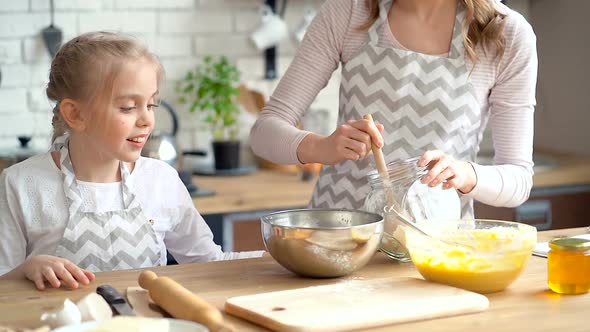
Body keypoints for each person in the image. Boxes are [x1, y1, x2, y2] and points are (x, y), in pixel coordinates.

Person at [0, 32, 264, 290]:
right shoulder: (20, 184)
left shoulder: (160, 180)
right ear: (76, 114)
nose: (147, 120)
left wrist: (279, 261)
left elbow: (211, 263)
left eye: (151, 105)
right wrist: (25, 271)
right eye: (128, 107)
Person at [250, 0, 537, 218]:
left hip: (436, 255)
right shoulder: (349, 12)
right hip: (338, 243)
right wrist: (321, 148)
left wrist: (466, 174)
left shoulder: (507, 34)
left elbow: (519, 181)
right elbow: (264, 132)